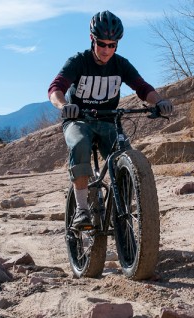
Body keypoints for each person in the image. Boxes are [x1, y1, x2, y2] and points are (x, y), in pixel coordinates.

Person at [48, 10, 173, 230]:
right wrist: (64, 106)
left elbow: (142, 88)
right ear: (92, 39)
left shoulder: (120, 64)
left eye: (112, 45)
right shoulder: (78, 61)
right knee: (79, 145)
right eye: (102, 44)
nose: (106, 50)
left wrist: (159, 101)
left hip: (108, 121)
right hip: (79, 120)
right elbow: (56, 88)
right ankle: (82, 209)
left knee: (125, 155)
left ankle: (122, 207)